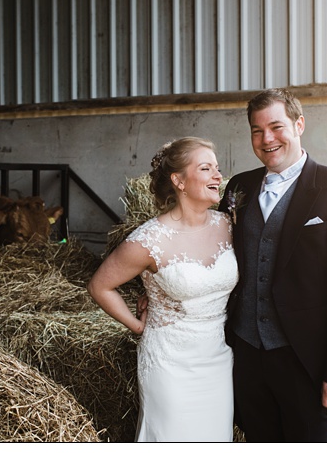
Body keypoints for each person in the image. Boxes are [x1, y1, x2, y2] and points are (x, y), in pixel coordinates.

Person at [220, 88, 327, 442]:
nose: (267, 139)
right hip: (246, 355)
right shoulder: (239, 186)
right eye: (257, 131)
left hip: (306, 361)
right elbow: (211, 254)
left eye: (276, 127)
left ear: (299, 124)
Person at [87, 136, 237, 441]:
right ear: (179, 181)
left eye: (217, 168)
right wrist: (137, 326)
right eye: (207, 169)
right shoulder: (149, 239)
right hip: (169, 363)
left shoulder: (230, 225)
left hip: (219, 358)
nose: (218, 176)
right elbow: (100, 286)